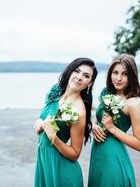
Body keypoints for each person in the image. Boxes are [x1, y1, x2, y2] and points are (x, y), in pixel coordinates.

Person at [34, 58, 98, 187]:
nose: (79, 77)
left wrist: (53, 137)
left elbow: (75, 154)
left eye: (86, 76)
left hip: (61, 171)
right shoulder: (56, 92)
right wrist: (39, 122)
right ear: (70, 72)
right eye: (77, 71)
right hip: (44, 163)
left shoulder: (79, 111)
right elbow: (46, 119)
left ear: (90, 83)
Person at [88, 54, 140, 187]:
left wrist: (113, 129)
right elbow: (97, 121)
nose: (118, 78)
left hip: (113, 158)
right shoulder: (107, 94)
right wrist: (94, 127)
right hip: (98, 155)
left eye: (124, 74)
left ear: (131, 76)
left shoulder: (132, 104)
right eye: (115, 72)